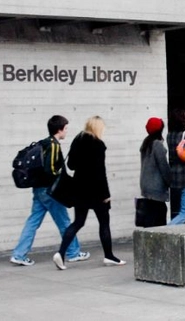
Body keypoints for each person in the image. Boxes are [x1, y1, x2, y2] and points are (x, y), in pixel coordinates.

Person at [9, 115, 90, 266]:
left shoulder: (43, 143)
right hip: (50, 191)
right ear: (59, 130)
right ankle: (73, 252)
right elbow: (51, 169)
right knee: (64, 222)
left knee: (33, 222)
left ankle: (19, 255)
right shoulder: (53, 145)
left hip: (39, 190)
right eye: (66, 128)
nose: (67, 131)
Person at [53, 116, 125, 269]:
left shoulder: (78, 139)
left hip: (79, 189)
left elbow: (71, 165)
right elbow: (101, 172)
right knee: (104, 222)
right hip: (97, 191)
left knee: (78, 222)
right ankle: (109, 256)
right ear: (98, 128)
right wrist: (106, 194)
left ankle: (60, 253)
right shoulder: (99, 145)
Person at [138, 117, 170, 227]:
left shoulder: (146, 143)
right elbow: (163, 166)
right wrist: (170, 181)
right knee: (159, 216)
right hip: (156, 187)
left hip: (146, 186)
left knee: (150, 217)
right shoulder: (157, 145)